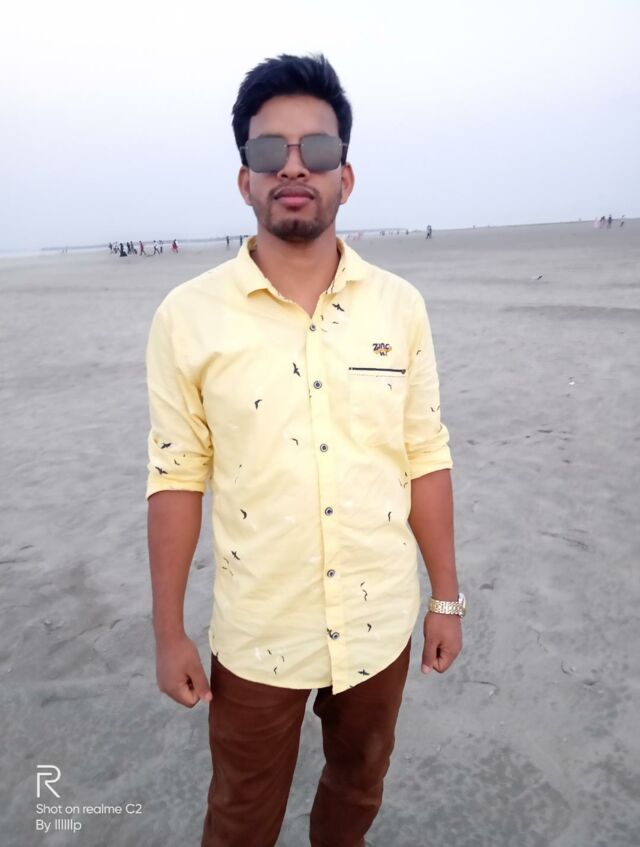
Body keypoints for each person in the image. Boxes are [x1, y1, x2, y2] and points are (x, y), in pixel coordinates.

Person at [145, 53, 464, 847]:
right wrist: (168, 630)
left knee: (357, 790)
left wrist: (445, 598)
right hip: (259, 633)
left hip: (379, 621)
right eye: (269, 151)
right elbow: (177, 475)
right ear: (244, 179)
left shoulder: (399, 306)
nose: (293, 167)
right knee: (240, 817)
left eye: (316, 150)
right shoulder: (188, 316)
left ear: (345, 177)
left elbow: (424, 454)